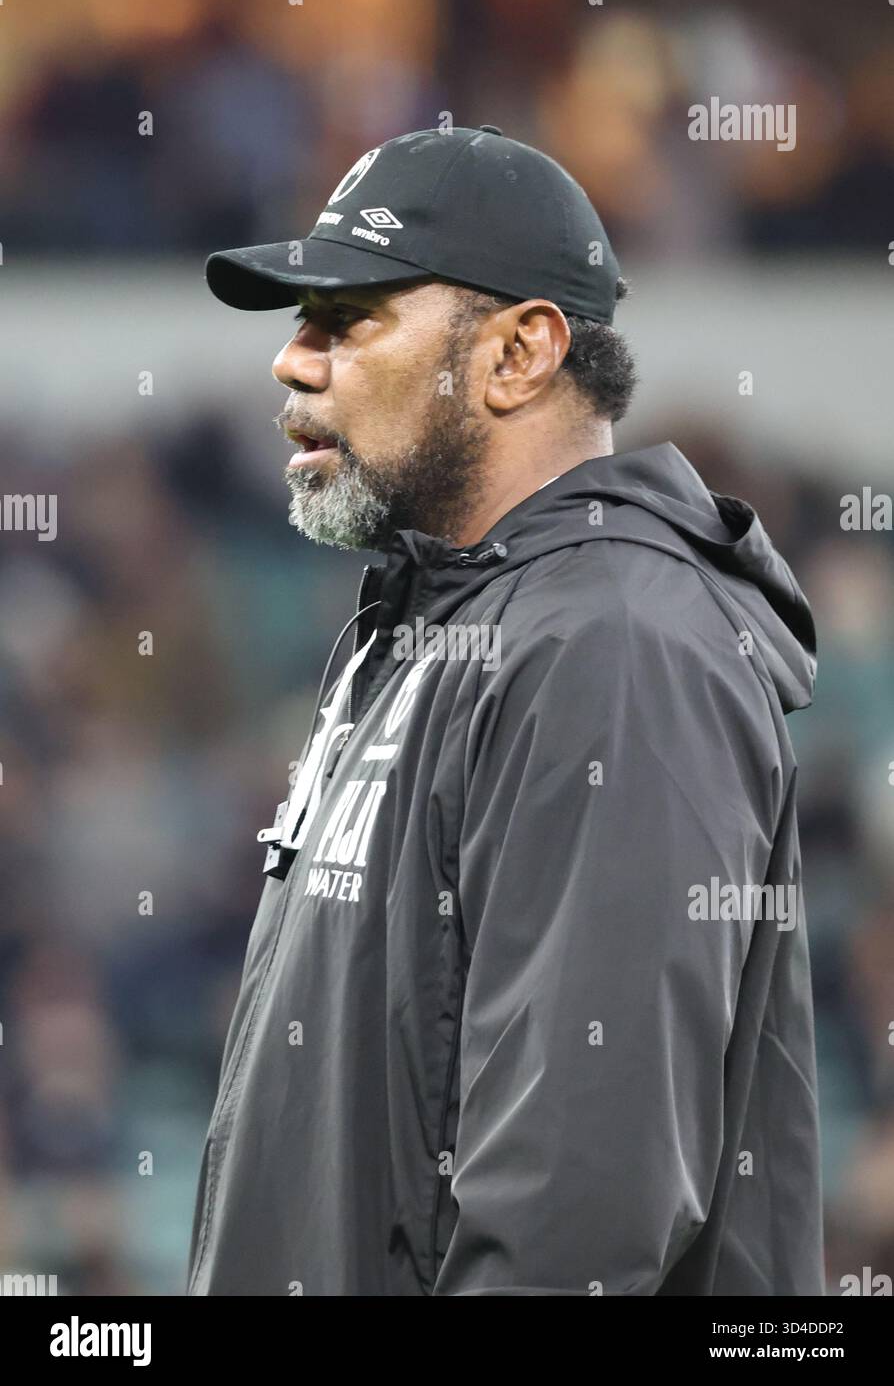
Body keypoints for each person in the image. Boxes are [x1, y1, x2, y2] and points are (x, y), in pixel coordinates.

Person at [187, 126, 824, 1296]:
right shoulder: (431, 621)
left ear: (520, 352)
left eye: (348, 317)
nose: (292, 360)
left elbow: (572, 1222)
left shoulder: (616, 646)